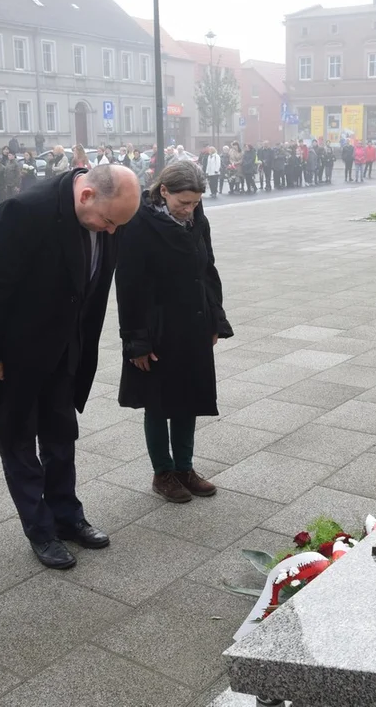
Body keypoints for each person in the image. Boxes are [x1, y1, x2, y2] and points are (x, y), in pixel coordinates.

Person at [0, 164, 141, 569]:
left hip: (64, 350)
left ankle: (68, 516)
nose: (112, 232)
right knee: (19, 441)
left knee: (60, 437)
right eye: (109, 222)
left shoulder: (109, 217)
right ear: (86, 195)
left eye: (118, 226)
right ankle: (40, 531)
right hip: (11, 357)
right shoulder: (24, 212)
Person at [115, 160, 232, 503]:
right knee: (158, 401)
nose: (189, 209)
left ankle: (184, 467)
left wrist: (215, 319)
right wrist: (136, 341)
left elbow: (207, 270)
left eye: (195, 202)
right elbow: (129, 284)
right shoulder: (139, 224)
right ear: (163, 191)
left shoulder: (197, 219)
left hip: (193, 323)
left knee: (189, 398)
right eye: (183, 202)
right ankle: (162, 472)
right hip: (157, 329)